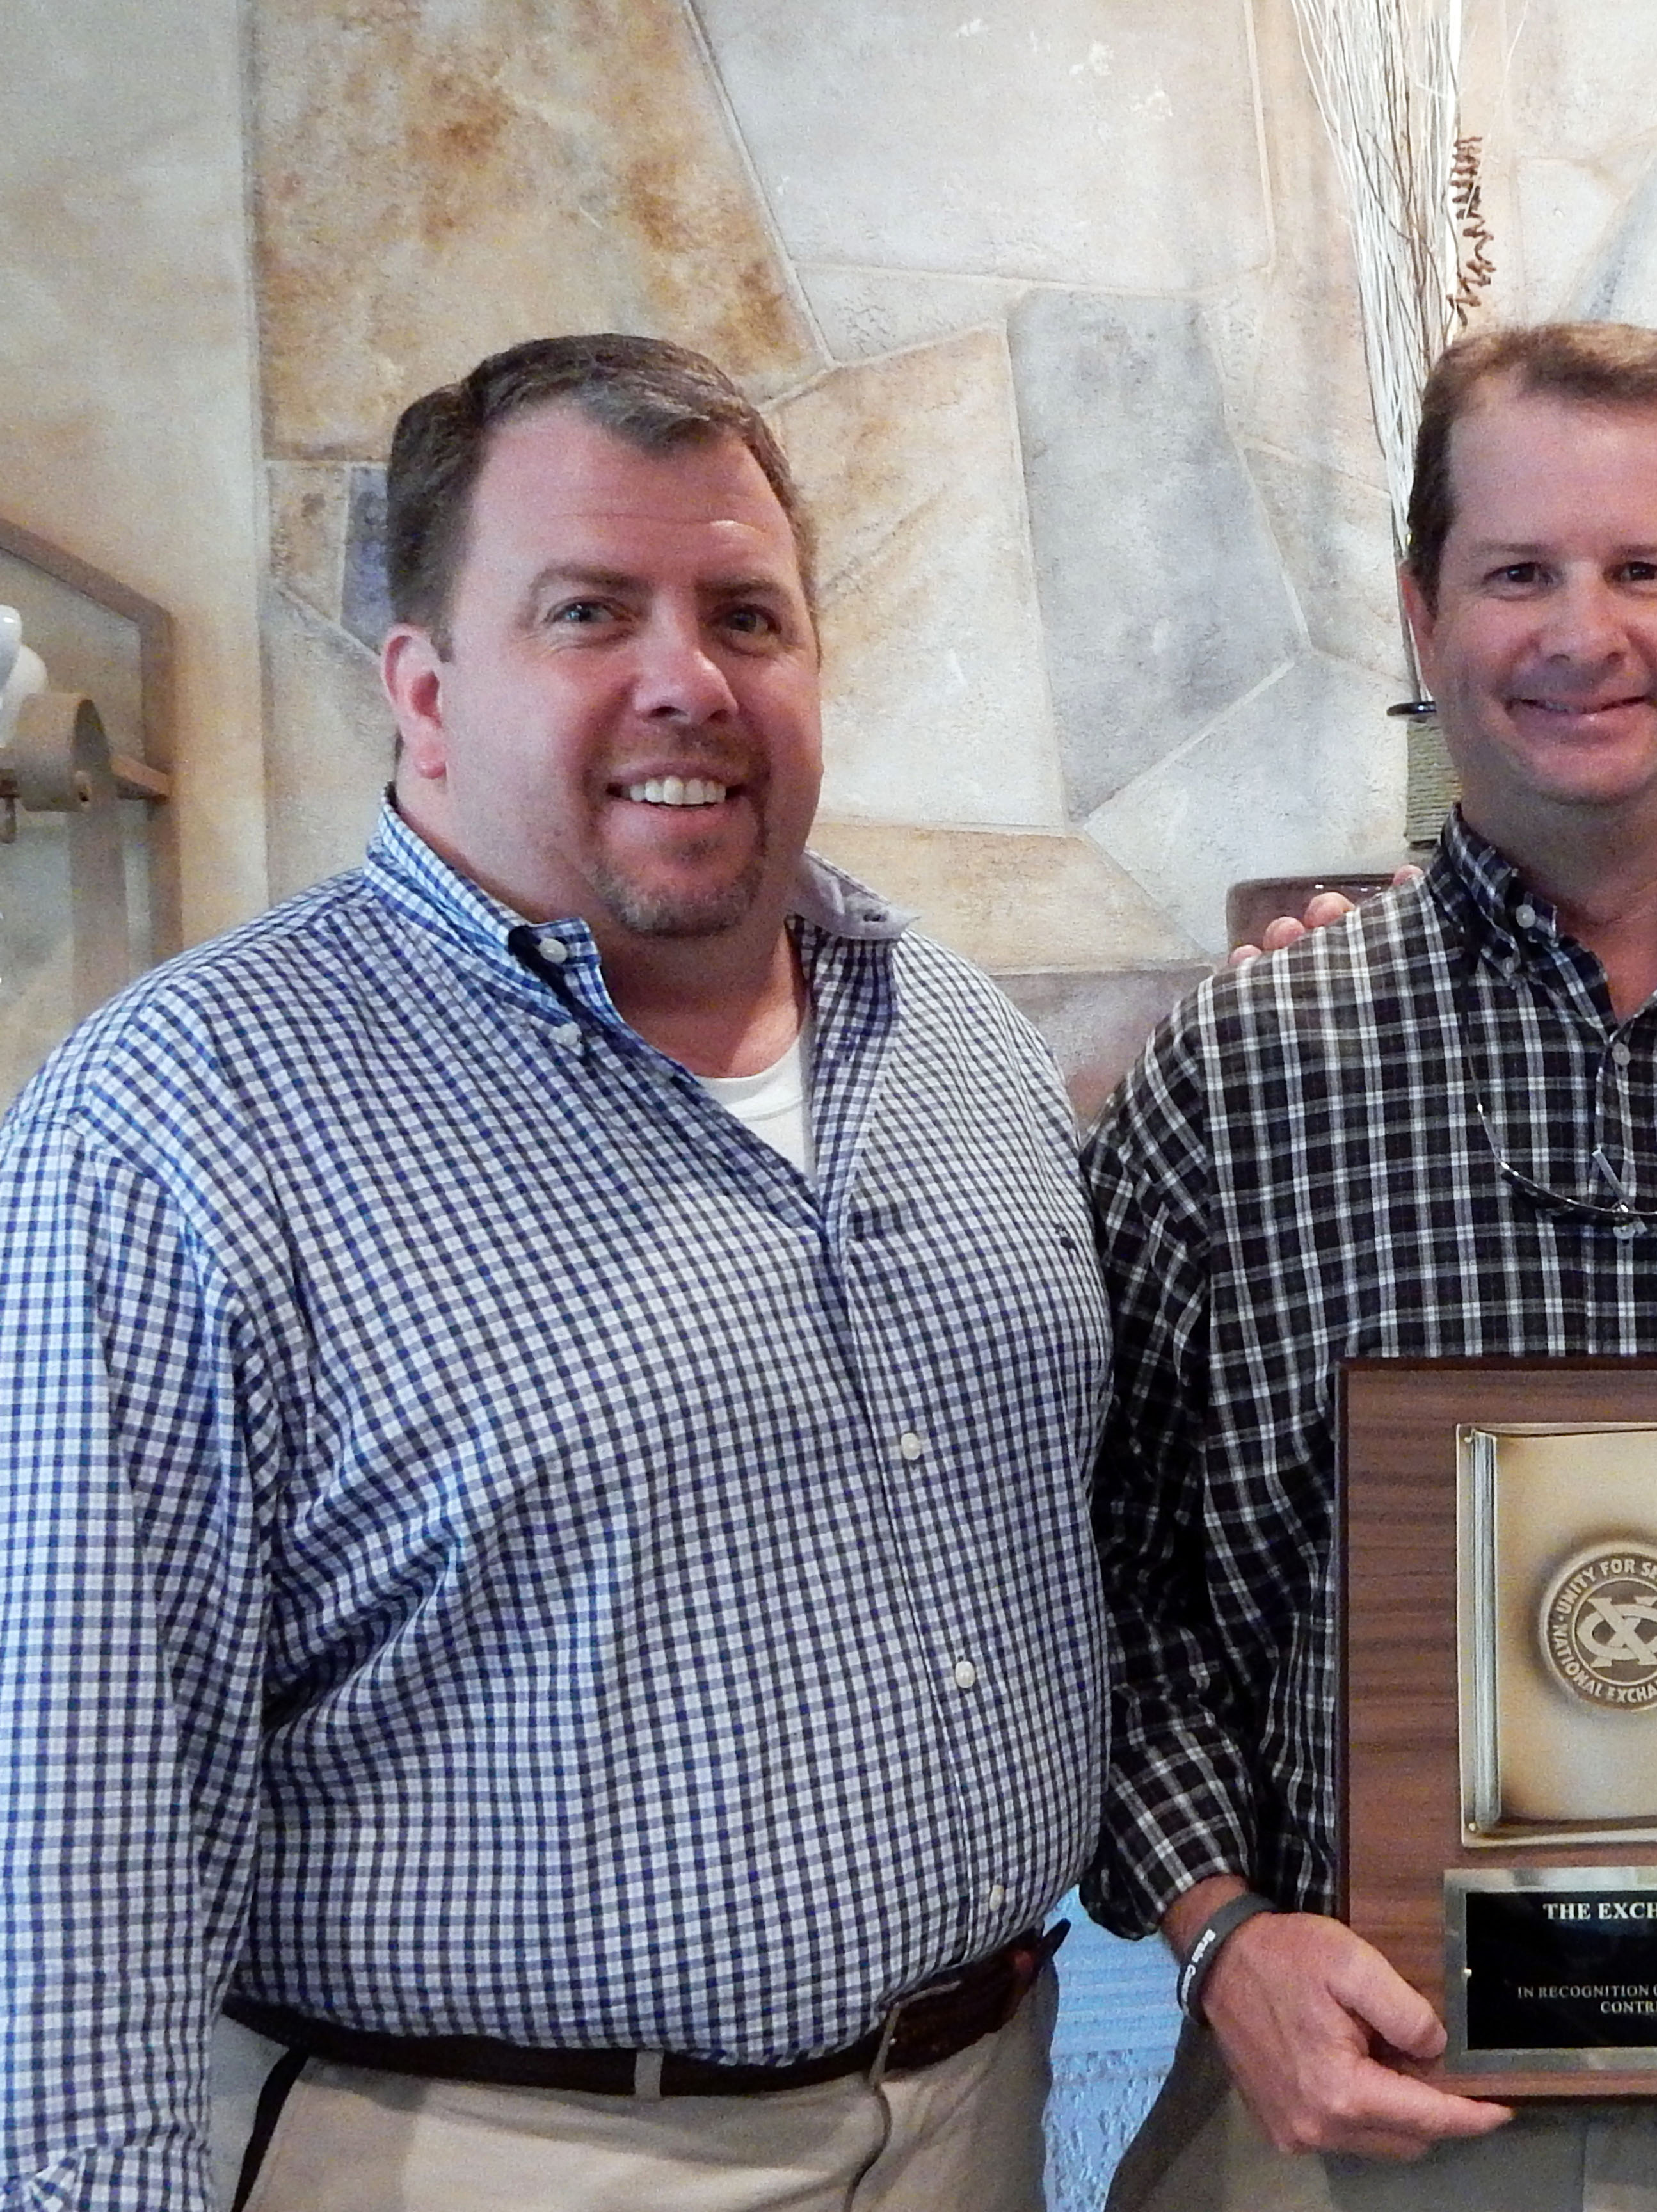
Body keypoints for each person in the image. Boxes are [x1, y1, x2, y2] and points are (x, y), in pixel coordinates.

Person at [0, 334, 1112, 2211]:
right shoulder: (185, 1120)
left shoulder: (961, 1048)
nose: (688, 679)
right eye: (591, 611)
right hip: (503, 2151)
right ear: (423, 694)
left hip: (980, 2109)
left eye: (746, 616)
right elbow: (77, 1838)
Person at [1080, 321, 1657, 2212]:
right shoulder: (1240, 1077)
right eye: (1517, 572)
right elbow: (1103, 1584)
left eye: (1643, 569)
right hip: (1350, 2104)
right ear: (1426, 616)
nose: (1579, 632)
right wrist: (1215, 1931)